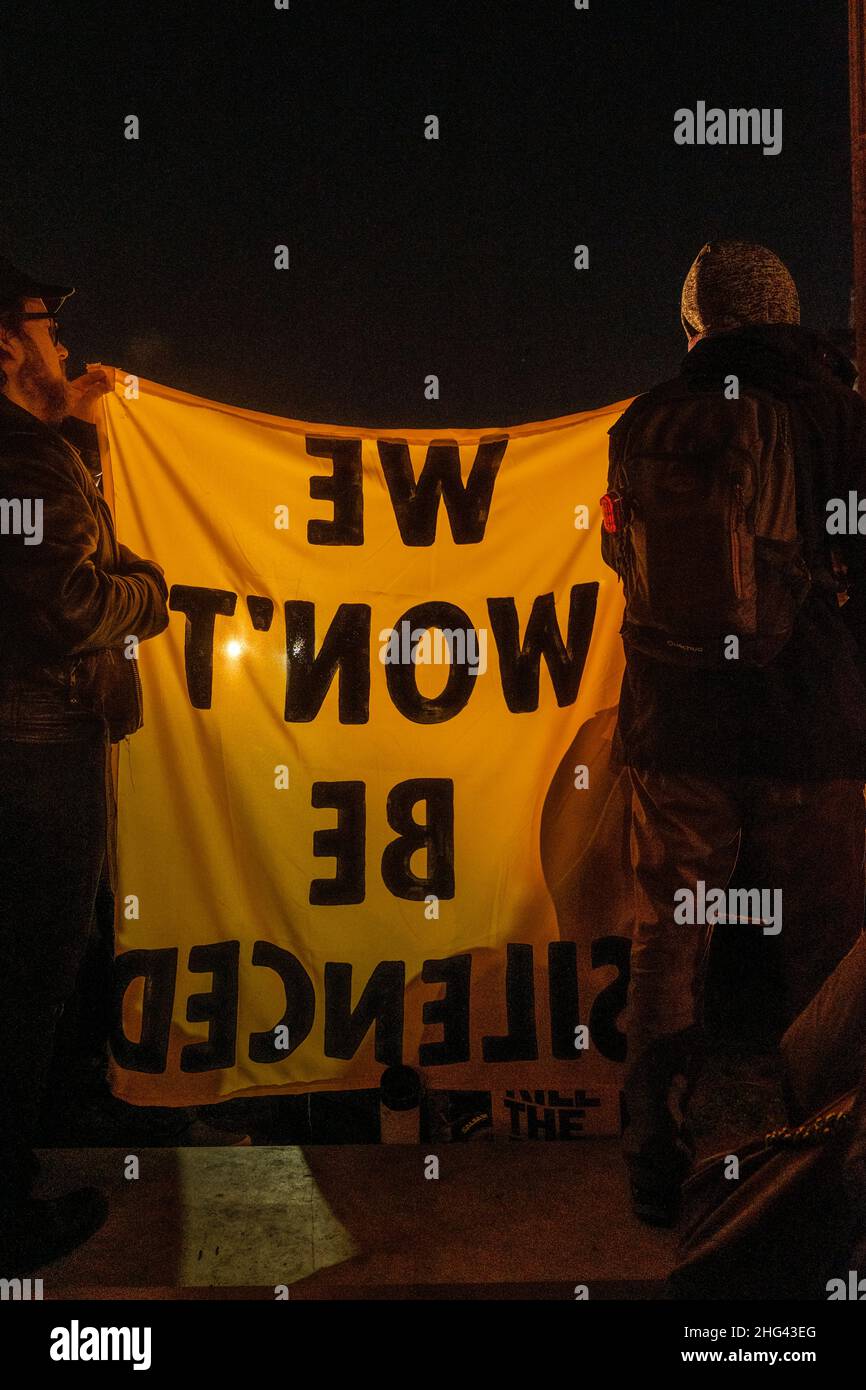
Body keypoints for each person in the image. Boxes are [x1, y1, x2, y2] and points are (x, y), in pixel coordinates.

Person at [601, 240, 866, 1226]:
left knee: (668, 944)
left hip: (673, 733)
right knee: (825, 955)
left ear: (694, 326)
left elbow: (622, 565)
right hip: (808, 732)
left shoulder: (642, 423)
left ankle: (651, 1155)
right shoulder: (836, 418)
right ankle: (821, 1156)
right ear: (787, 316)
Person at [0, 255, 169, 1274]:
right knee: (26, 975)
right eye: (47, 331)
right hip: (32, 746)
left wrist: (75, 427)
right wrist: (147, 591)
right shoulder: (16, 461)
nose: (67, 347)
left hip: (28, 735)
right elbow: (62, 603)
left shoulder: (30, 449)